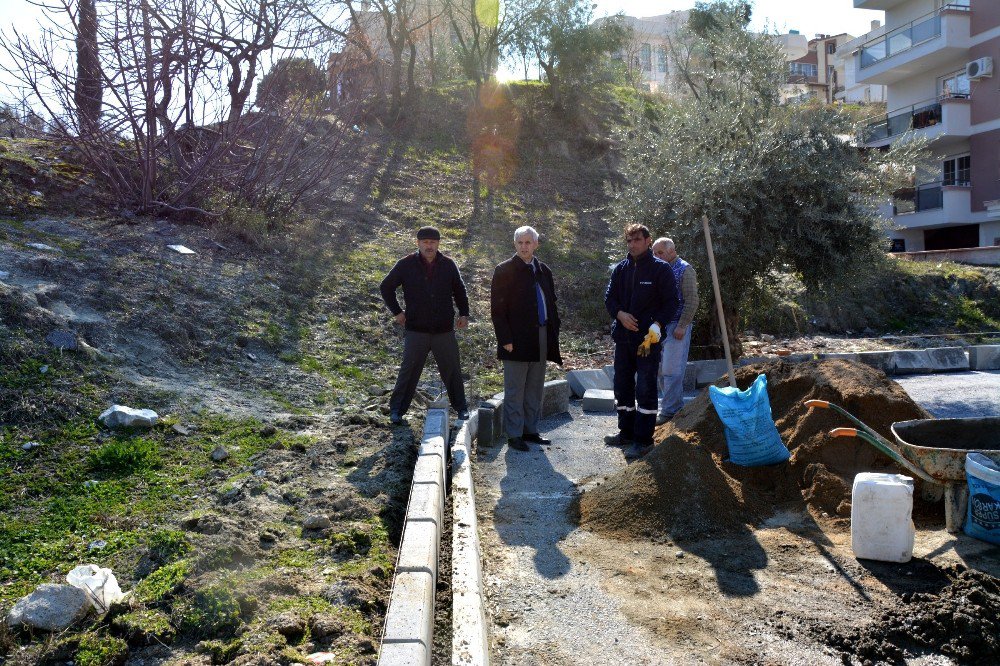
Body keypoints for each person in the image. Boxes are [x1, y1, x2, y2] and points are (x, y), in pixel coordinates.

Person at [380, 226, 470, 424]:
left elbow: (460, 290)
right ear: (418, 243)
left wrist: (464, 313)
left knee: (453, 370)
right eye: (425, 242)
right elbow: (385, 287)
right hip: (416, 329)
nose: (429, 246)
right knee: (409, 371)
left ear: (438, 243)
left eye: (433, 242)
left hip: (444, 330)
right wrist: (397, 312)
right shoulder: (405, 264)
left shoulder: (448, 264)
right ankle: (396, 411)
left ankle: (461, 408)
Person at [604, 224, 678, 459]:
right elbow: (609, 298)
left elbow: (671, 303)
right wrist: (620, 315)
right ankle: (625, 432)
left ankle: (643, 439)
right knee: (622, 385)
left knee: (645, 387)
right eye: (629, 241)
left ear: (648, 240)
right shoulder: (621, 269)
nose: (633, 244)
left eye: (637, 240)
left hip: (647, 342)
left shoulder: (661, 270)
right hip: (624, 340)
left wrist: (657, 325)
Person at [490, 226, 562, 452]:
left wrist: (553, 332)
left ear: (536, 244)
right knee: (515, 389)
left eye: (528, 242)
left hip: (540, 335)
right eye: (520, 242)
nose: (524, 246)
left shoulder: (544, 270)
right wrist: (505, 339)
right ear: (515, 244)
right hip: (516, 338)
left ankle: (531, 430)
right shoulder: (504, 270)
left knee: (535, 387)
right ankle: (514, 434)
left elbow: (551, 302)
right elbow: (497, 310)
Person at [652, 237, 699, 425]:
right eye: (654, 253)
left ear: (671, 251)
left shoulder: (684, 269)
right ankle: (673, 407)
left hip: (676, 325)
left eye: (660, 253)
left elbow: (692, 300)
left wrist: (682, 325)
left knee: (672, 369)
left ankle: (670, 411)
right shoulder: (658, 269)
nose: (656, 256)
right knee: (660, 370)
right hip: (659, 325)